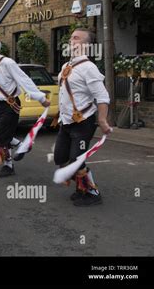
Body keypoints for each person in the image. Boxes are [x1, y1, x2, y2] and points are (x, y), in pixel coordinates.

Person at [54, 28, 111, 206]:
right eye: (71, 37)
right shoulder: (65, 67)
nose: (71, 40)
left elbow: (102, 97)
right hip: (66, 122)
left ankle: (92, 192)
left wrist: (102, 120)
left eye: (76, 38)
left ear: (86, 45)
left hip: (83, 122)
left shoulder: (89, 68)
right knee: (60, 158)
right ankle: (81, 187)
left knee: (77, 160)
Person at [0, 36, 50, 178]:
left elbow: (24, 80)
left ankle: (8, 166)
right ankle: (23, 145)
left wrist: (40, 98)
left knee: (1, 136)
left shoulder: (7, 63)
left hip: (10, 104)